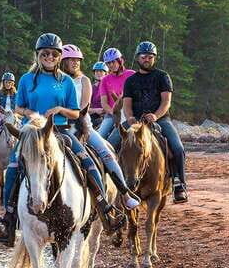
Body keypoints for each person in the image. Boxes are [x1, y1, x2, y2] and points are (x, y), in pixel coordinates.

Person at [0, 33, 124, 246]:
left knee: (88, 161)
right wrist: (32, 115)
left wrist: (60, 109)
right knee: (13, 167)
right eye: (45, 53)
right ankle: (8, 218)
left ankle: (105, 207)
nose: (49, 57)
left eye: (53, 54)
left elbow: (75, 113)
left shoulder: (67, 82)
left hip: (62, 130)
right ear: (38, 55)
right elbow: (17, 107)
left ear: (59, 57)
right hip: (32, 132)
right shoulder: (26, 80)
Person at [60, 43, 141, 210]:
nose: (75, 63)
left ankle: (124, 194)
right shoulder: (55, 81)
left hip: (83, 127)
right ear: (62, 62)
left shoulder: (84, 81)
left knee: (105, 151)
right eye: (71, 60)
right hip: (59, 128)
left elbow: (82, 108)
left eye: (78, 60)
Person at [121, 41, 188, 204]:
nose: (147, 59)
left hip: (160, 119)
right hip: (135, 122)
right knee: (111, 143)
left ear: (154, 59)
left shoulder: (162, 77)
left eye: (150, 57)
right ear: (137, 58)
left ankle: (179, 185)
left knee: (178, 148)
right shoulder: (130, 81)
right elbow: (126, 104)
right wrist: (130, 118)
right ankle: (112, 184)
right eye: (144, 56)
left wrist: (156, 116)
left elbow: (166, 102)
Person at [97, 47, 136, 141]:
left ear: (120, 60)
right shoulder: (105, 80)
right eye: (108, 63)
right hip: (112, 114)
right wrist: (113, 113)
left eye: (113, 61)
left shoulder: (132, 74)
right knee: (100, 136)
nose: (111, 65)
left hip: (131, 112)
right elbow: (104, 103)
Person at [89, 62, 107, 128]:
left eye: (101, 71)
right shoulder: (91, 88)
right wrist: (96, 110)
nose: (98, 73)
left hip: (107, 115)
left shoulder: (108, 87)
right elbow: (85, 108)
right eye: (96, 71)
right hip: (93, 116)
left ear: (106, 73)